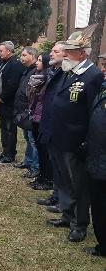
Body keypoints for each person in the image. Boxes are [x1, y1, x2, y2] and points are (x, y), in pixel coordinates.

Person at [47, 27, 103, 243]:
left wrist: (87, 141)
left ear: (83, 53)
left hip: (77, 141)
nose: (66, 54)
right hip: (60, 137)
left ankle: (79, 224)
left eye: (70, 51)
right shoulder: (68, 69)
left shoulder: (93, 75)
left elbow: (93, 111)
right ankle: (67, 215)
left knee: (79, 185)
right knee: (63, 179)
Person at [36, 42, 65, 209]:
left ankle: (63, 201)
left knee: (62, 167)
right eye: (52, 51)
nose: (51, 54)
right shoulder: (55, 71)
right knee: (55, 163)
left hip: (59, 128)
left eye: (56, 51)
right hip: (48, 124)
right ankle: (56, 195)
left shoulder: (65, 74)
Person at [83, 57, 106, 257]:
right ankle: (102, 245)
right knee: (98, 206)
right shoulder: (103, 88)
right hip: (97, 156)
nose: (102, 69)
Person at [0, 41, 24, 163]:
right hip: (1, 103)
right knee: (3, 128)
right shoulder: (2, 63)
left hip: (9, 103)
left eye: (1, 51)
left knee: (10, 129)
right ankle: (5, 151)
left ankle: (10, 154)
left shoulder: (15, 64)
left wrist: (1, 98)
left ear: (9, 51)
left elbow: (12, 85)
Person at [27, 53, 53, 191]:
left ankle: (47, 179)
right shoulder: (36, 77)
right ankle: (42, 176)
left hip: (42, 118)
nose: (37, 62)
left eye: (40, 60)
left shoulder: (49, 79)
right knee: (38, 147)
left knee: (44, 151)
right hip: (34, 117)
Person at [13, 47, 39, 177]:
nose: (21, 58)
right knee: (27, 138)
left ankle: (35, 167)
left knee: (32, 139)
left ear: (32, 56)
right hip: (23, 110)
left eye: (24, 55)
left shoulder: (36, 70)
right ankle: (28, 161)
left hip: (30, 111)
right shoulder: (27, 70)